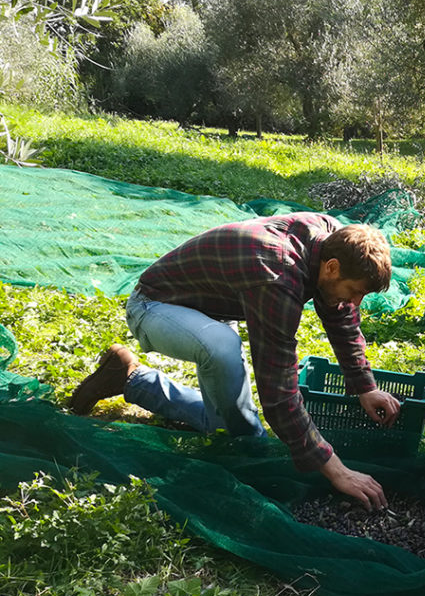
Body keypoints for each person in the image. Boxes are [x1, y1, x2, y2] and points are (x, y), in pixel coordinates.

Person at [68, 214, 400, 509]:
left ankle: (129, 378)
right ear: (331, 268)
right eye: (354, 290)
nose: (355, 301)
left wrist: (364, 386)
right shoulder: (277, 276)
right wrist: (336, 470)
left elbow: (341, 316)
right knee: (224, 351)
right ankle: (243, 442)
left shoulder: (331, 240)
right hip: (153, 306)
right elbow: (279, 393)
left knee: (227, 424)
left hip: (207, 309)